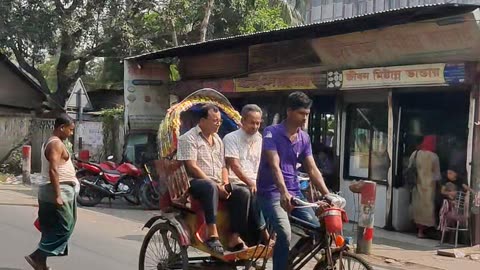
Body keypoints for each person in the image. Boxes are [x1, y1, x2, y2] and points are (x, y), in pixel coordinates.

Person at [256, 92, 331, 270]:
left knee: (317, 230)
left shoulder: (304, 138)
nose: (305, 118)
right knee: (284, 232)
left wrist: (327, 194)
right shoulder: (271, 133)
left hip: (295, 193)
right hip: (271, 193)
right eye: (301, 113)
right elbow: (275, 166)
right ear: (289, 111)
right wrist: (283, 192)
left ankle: (288, 259)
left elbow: (312, 169)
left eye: (307, 114)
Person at [176, 104, 245, 255]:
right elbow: (192, 166)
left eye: (219, 121)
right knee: (209, 186)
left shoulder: (218, 140)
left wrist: (225, 184)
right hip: (194, 182)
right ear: (202, 120)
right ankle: (212, 234)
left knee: (242, 192)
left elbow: (223, 167)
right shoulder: (188, 138)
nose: (218, 123)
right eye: (214, 120)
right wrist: (215, 184)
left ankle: (234, 236)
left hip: (215, 182)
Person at [25, 114, 79, 270]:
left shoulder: (53, 142)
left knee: (50, 227)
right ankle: (37, 256)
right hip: (56, 189)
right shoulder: (55, 144)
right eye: (70, 130)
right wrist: (58, 195)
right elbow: (53, 170)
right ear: (61, 128)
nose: (71, 133)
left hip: (53, 190)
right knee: (65, 226)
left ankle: (40, 262)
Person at [223, 104, 270, 246]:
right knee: (248, 192)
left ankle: (265, 234)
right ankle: (240, 235)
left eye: (258, 123)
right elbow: (234, 165)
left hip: (255, 182)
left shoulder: (261, 139)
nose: (255, 126)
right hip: (235, 182)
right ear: (242, 121)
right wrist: (250, 182)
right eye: (252, 122)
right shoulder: (231, 138)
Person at [410, 135, 441, 238]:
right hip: (429, 187)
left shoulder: (415, 153)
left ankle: (419, 230)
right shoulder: (434, 157)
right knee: (428, 209)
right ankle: (424, 231)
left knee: (418, 207)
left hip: (417, 184)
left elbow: (410, 167)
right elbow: (437, 175)